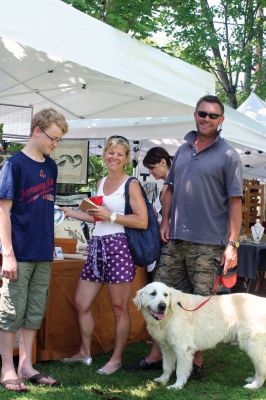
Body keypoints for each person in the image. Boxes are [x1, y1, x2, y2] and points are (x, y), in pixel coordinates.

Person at [155, 95, 243, 378]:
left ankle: (195, 363)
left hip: (208, 243)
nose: (206, 119)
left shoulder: (229, 155)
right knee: (161, 296)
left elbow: (235, 202)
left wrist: (233, 243)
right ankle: (161, 356)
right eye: (202, 113)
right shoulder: (181, 151)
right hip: (176, 238)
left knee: (200, 302)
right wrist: (165, 221)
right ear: (195, 115)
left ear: (221, 121)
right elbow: (169, 189)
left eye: (213, 115)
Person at [62, 135, 148, 375]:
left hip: (119, 246)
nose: (114, 157)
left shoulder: (130, 183)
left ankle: (116, 359)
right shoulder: (101, 181)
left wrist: (110, 215)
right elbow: (97, 216)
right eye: (111, 152)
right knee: (81, 302)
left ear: (126, 158)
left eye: (120, 154)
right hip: (97, 245)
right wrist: (71, 213)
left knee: (119, 307)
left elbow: (142, 221)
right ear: (105, 155)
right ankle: (85, 352)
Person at [0, 108, 68, 392]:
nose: (56, 144)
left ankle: (26, 365)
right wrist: (7, 253)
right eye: (54, 138)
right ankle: (6, 367)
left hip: (43, 253)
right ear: (37, 131)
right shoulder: (13, 165)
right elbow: (3, 212)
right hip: (20, 253)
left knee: (34, 312)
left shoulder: (50, 167)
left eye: (59, 140)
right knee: (11, 312)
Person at [125, 146, 172, 371]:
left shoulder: (174, 184)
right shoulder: (167, 185)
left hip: (168, 251)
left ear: (163, 162)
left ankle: (157, 354)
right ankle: (159, 352)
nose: (151, 173)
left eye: (153, 167)